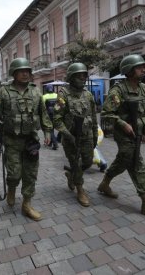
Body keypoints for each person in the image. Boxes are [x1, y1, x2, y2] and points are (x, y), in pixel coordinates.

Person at [98, 55, 145, 220]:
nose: (143, 70)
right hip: (123, 133)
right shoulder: (118, 90)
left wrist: (144, 130)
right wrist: (123, 124)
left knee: (124, 160)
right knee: (136, 163)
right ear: (129, 70)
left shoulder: (144, 88)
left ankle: (105, 183)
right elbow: (107, 113)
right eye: (139, 67)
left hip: (137, 132)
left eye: (143, 67)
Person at [0, 58, 52, 221]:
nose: (25, 74)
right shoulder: (4, 92)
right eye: (21, 71)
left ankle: (27, 204)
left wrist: (48, 131)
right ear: (14, 74)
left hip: (31, 140)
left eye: (27, 71)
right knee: (14, 174)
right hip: (11, 141)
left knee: (30, 173)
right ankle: (12, 188)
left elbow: (43, 113)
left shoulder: (36, 92)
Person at [53, 63, 98, 207]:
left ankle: (71, 175)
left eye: (84, 75)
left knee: (88, 162)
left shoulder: (88, 94)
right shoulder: (63, 95)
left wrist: (95, 133)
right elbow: (56, 119)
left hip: (87, 135)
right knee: (75, 163)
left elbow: (93, 116)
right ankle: (80, 189)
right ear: (71, 77)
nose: (83, 78)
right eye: (79, 76)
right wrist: (68, 135)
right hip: (71, 137)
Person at [42, 85, 58, 150]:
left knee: (50, 129)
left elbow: (41, 106)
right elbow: (62, 104)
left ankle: (55, 143)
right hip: (56, 115)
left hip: (48, 115)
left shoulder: (44, 96)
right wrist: (56, 109)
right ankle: (50, 143)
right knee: (52, 129)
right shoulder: (57, 95)